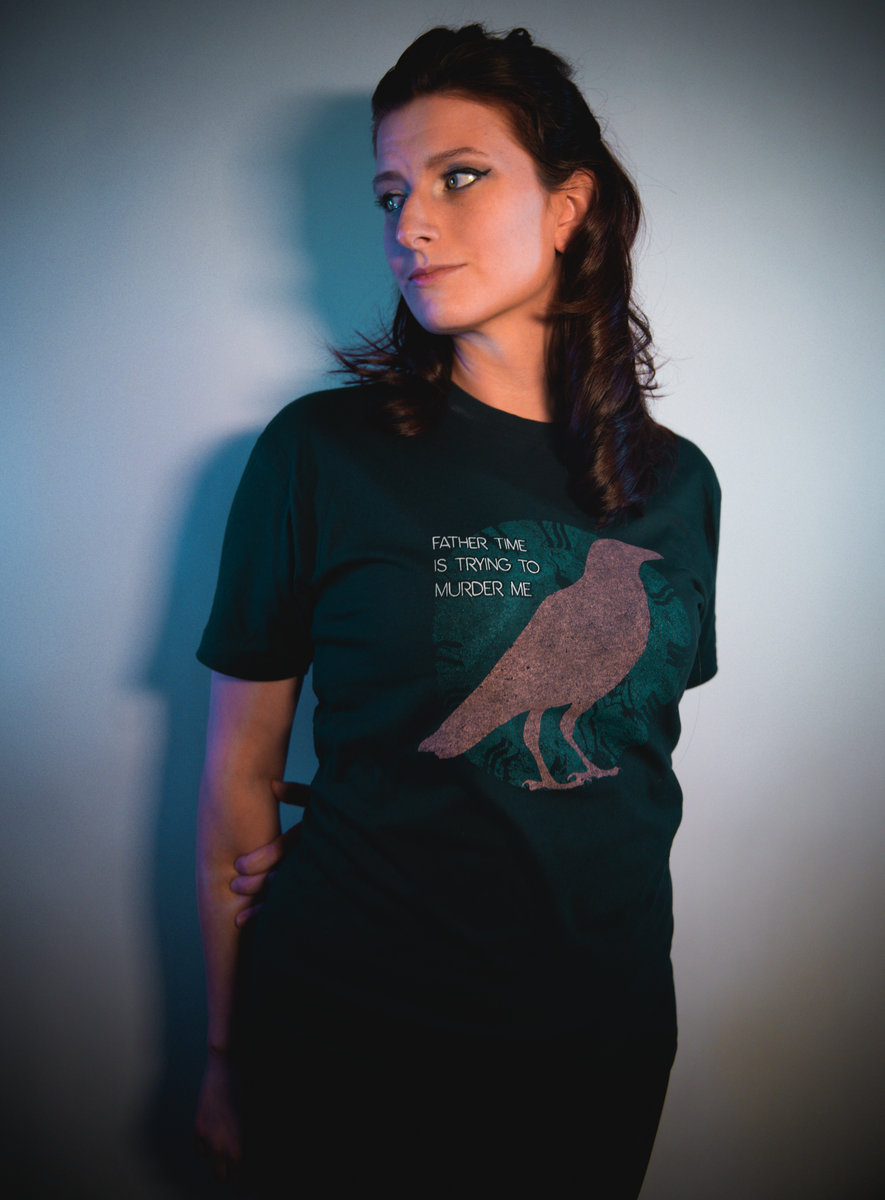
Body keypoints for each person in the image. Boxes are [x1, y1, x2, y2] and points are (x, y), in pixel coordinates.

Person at [193, 23, 720, 1198]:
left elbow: (638, 755)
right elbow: (239, 771)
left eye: (459, 177)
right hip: (354, 1032)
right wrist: (225, 1056)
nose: (410, 226)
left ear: (569, 206)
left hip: (602, 1044)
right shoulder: (319, 453)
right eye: (391, 195)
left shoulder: (679, 484)